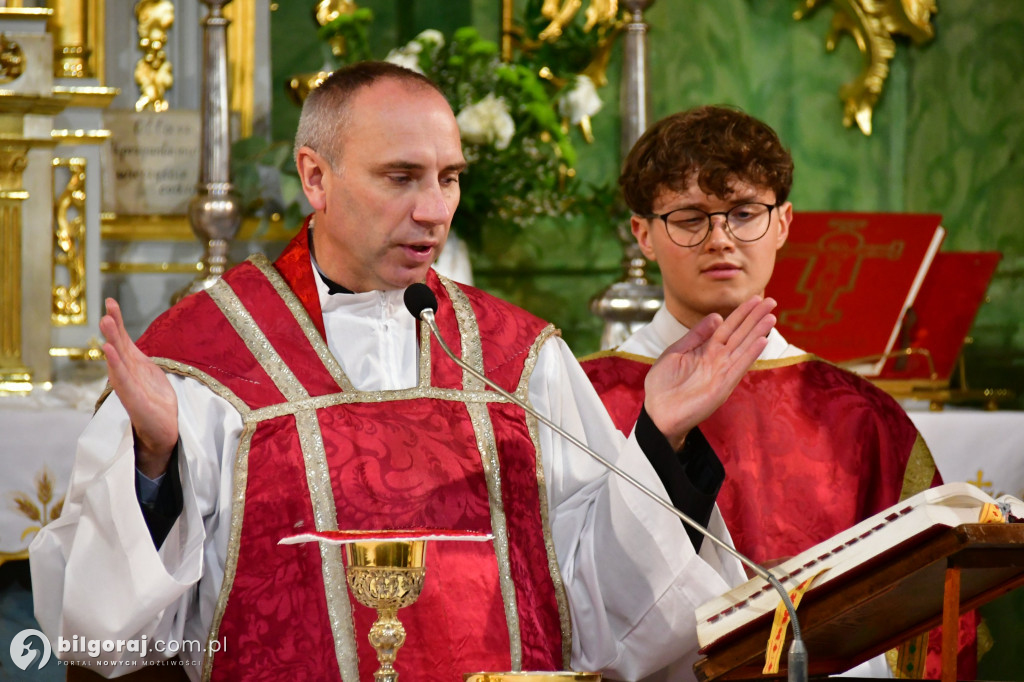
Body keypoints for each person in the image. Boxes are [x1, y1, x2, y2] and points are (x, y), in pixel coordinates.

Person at [30, 64, 779, 682]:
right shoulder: (206, 360)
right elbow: (105, 634)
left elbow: (595, 596)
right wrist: (152, 468)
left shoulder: (517, 358)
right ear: (315, 178)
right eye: (401, 177)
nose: (434, 210)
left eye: (449, 178)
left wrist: (658, 441)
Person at [579, 105, 974, 678]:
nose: (720, 239)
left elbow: (934, 617)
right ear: (643, 234)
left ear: (784, 223)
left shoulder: (862, 417)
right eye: (690, 218)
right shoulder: (581, 393)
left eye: (744, 213)